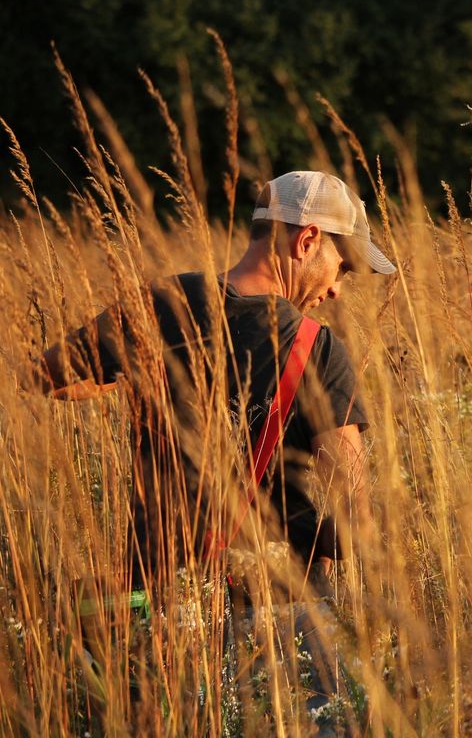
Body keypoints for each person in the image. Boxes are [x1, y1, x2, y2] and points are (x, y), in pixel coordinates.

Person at [32, 170, 395, 720]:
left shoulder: (160, 305)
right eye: (342, 266)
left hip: (159, 608)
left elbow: (45, 378)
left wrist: (132, 371)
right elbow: (355, 508)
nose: (338, 287)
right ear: (306, 241)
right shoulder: (318, 352)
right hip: (279, 611)